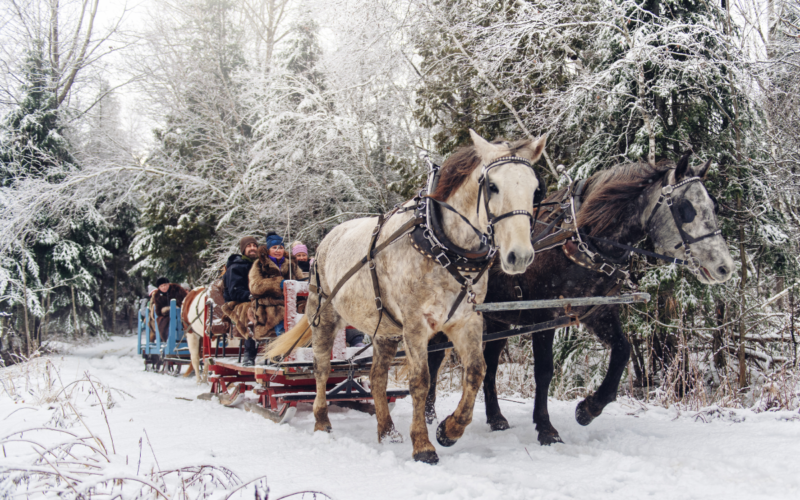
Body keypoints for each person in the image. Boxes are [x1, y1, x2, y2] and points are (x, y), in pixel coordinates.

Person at [249, 232, 305, 360]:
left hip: (292, 302)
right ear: (268, 249)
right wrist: (277, 284)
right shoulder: (259, 264)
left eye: (280, 247)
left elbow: (301, 281)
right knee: (280, 315)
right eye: (274, 248)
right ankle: (282, 351)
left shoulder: (291, 263)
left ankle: (305, 348)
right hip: (268, 304)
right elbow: (255, 286)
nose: (278, 250)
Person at [221, 236, 258, 343]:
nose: (252, 248)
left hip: (257, 299)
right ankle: (249, 350)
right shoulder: (236, 267)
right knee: (249, 311)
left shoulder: (259, 265)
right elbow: (235, 291)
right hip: (239, 302)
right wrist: (251, 296)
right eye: (249, 246)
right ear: (243, 249)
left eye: (254, 246)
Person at [152, 277, 188, 342]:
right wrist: (165, 310)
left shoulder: (177, 289)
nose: (164, 287)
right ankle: (169, 338)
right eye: (161, 286)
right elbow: (158, 311)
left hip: (181, 312)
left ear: (168, 284)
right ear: (159, 288)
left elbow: (186, 300)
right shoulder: (157, 295)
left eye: (165, 285)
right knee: (165, 323)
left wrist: (179, 307)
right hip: (166, 315)